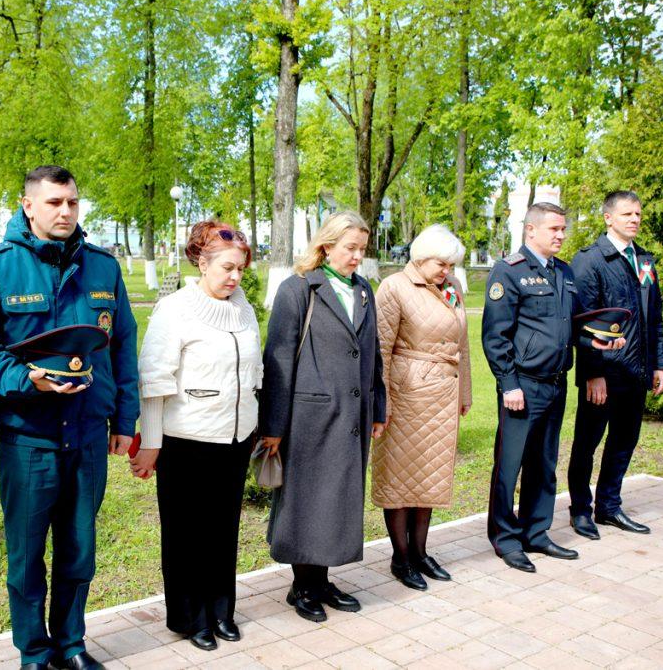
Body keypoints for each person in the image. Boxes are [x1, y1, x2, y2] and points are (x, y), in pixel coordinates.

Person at [0, 165, 138, 670]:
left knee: (79, 550)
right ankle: (33, 653)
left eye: (72, 202)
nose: (65, 211)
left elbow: (122, 345)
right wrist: (23, 380)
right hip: (27, 437)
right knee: (26, 555)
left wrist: (126, 419)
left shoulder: (103, 267)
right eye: (54, 202)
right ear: (28, 204)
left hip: (87, 435)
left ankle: (71, 645)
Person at [133, 221, 261, 651]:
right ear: (201, 263)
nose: (235, 277)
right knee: (188, 534)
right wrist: (151, 443)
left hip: (235, 437)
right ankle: (191, 617)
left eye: (241, 268)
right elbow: (153, 380)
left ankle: (221, 609)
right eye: (227, 267)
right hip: (187, 441)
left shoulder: (243, 307)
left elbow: (253, 372)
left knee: (223, 529)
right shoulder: (174, 309)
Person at [482, 202, 624, 573]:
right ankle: (506, 539)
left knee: (544, 464)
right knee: (510, 466)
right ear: (531, 231)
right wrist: (508, 384)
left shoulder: (563, 273)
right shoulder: (508, 272)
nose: (561, 235)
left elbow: (570, 327)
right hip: (523, 388)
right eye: (554, 229)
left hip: (555, 384)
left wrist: (597, 342)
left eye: (563, 229)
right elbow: (496, 337)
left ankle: (536, 531)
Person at [260, 211, 386, 623]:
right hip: (308, 417)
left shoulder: (363, 289)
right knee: (305, 500)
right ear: (326, 246)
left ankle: (322, 579)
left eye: (362, 250)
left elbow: (374, 354)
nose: (356, 257)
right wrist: (274, 428)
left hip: (352, 413)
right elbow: (278, 357)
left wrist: (378, 406)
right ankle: (302, 585)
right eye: (350, 248)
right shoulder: (298, 290)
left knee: (337, 499)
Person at [372, 224, 472, 590]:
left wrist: (465, 393)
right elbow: (380, 349)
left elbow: (461, 346)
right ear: (420, 257)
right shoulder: (394, 287)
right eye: (441, 263)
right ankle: (400, 557)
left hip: (443, 396)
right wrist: (382, 402)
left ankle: (421, 552)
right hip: (406, 392)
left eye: (450, 264)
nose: (447, 271)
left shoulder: (454, 289)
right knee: (400, 477)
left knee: (429, 475)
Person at [567, 191, 663, 539]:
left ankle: (608, 506)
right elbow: (582, 324)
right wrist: (593, 373)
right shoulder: (591, 260)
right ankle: (580, 510)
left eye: (638, 214)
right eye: (627, 213)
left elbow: (654, 318)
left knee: (624, 441)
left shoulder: (644, 260)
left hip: (635, 372)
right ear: (608, 218)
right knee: (587, 444)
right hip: (604, 374)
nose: (635, 219)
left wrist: (660, 364)